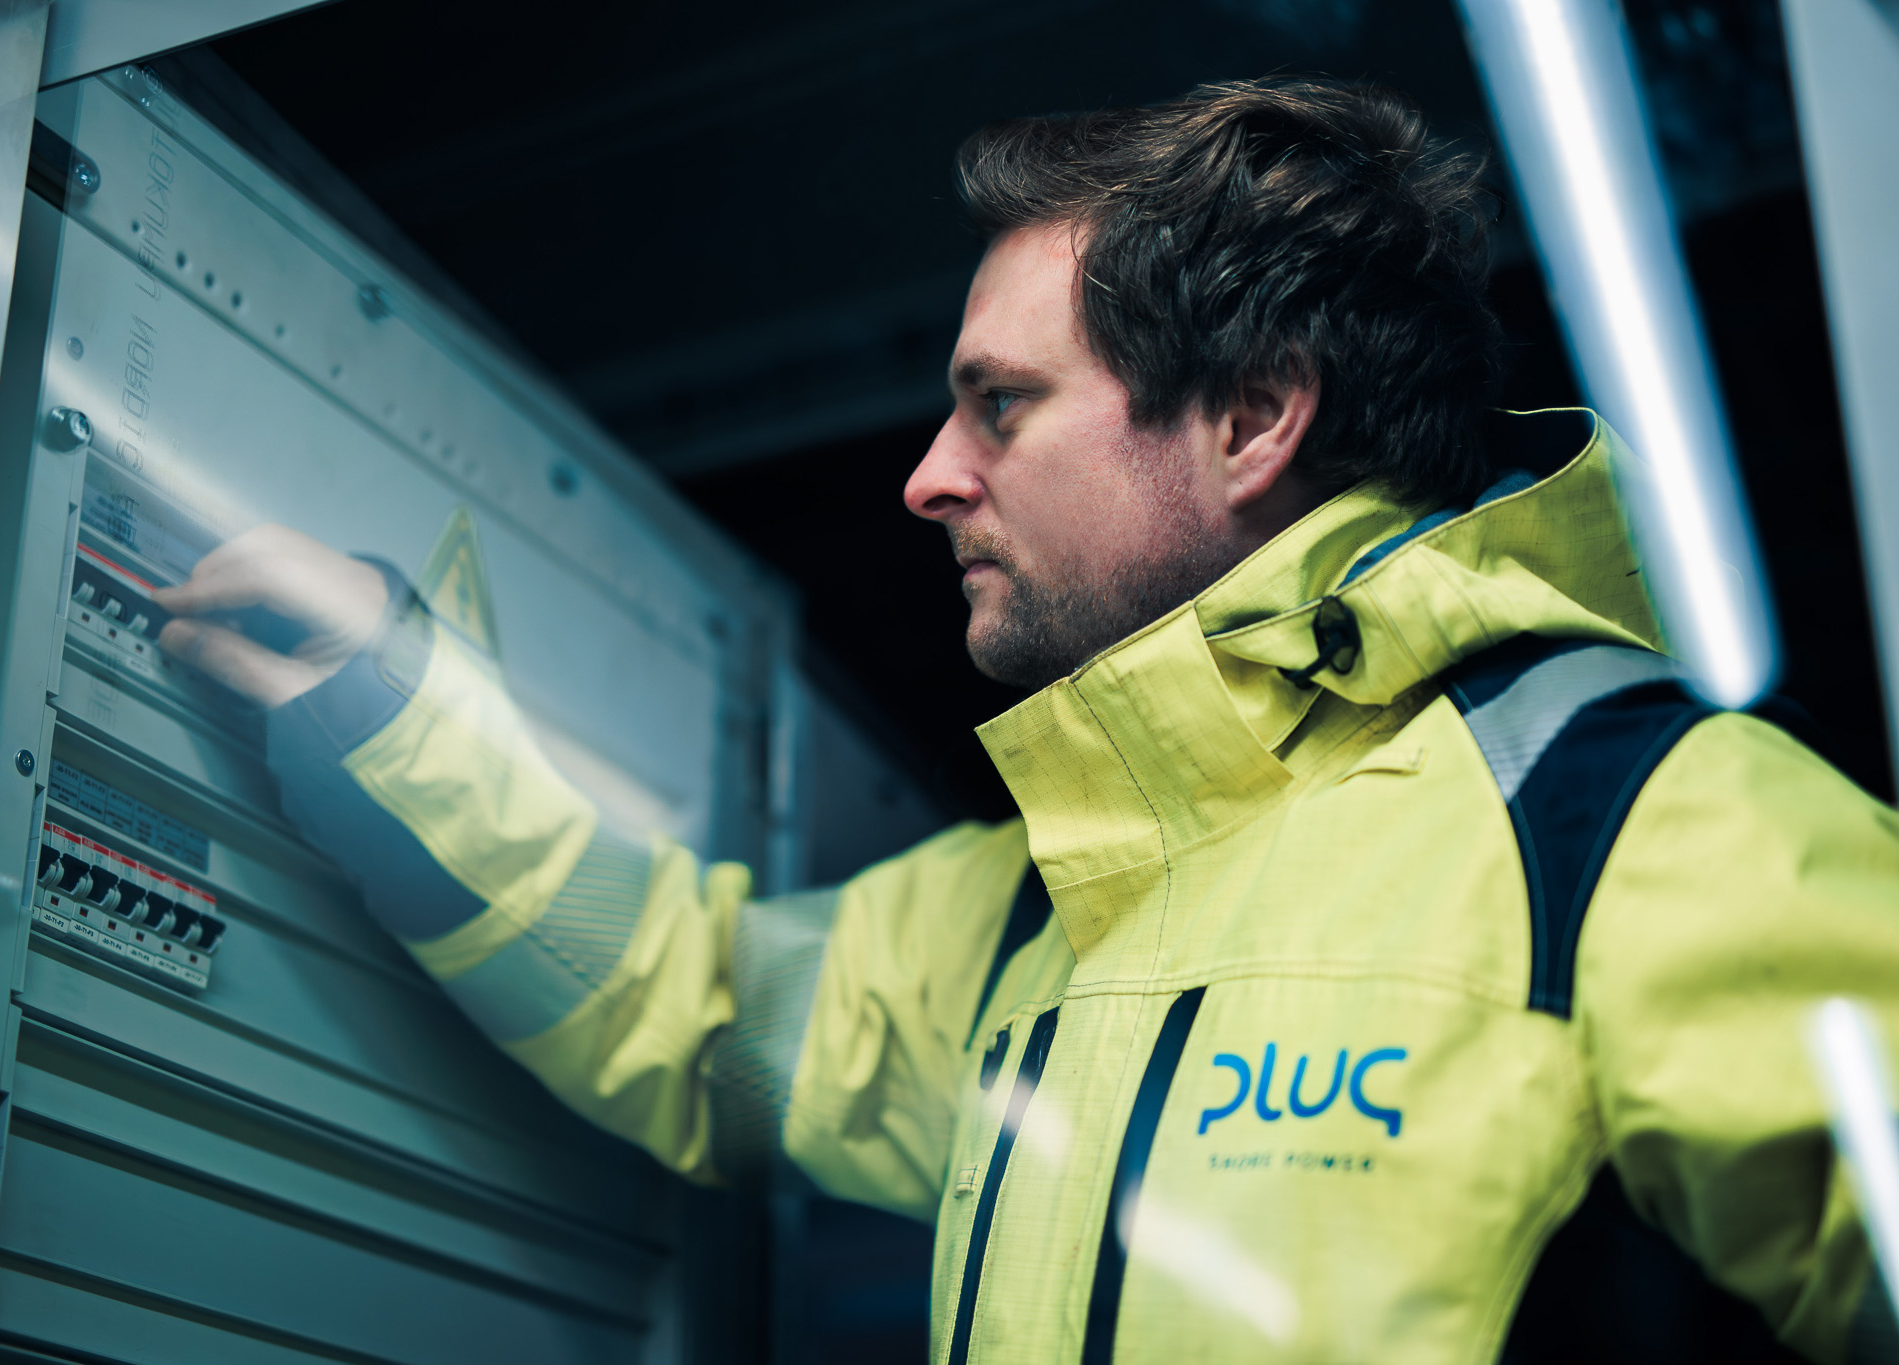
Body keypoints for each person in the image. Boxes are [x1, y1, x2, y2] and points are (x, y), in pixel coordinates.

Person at [153, 79, 1899, 1363]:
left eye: (1003, 405)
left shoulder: (1627, 825)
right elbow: (685, 1009)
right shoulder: (1024, 915)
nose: (927, 478)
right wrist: (384, 704)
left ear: (1251, 418)